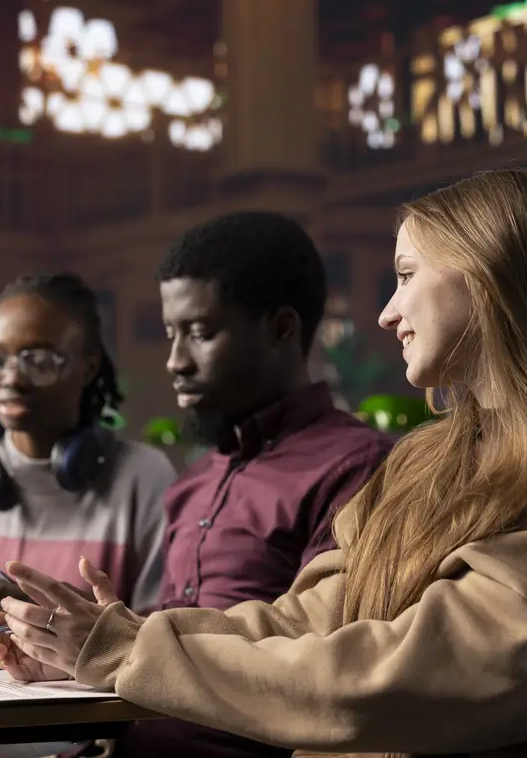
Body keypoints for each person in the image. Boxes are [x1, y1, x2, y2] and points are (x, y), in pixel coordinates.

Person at [0, 170, 527, 758]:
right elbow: (304, 619)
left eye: (406, 276)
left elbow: (402, 681)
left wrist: (127, 653)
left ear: (489, 279)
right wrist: (102, 643)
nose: (385, 312)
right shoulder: (427, 467)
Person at [70, 212, 397, 758]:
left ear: (281, 328)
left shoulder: (359, 469)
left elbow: (326, 659)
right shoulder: (193, 484)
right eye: (171, 333)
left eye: (200, 333)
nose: (176, 361)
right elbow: (154, 656)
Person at [0, 272, 175, 621]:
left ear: (87, 367)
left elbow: (161, 643)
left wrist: (43, 617)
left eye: (38, 361)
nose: (11, 379)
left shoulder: (144, 478)